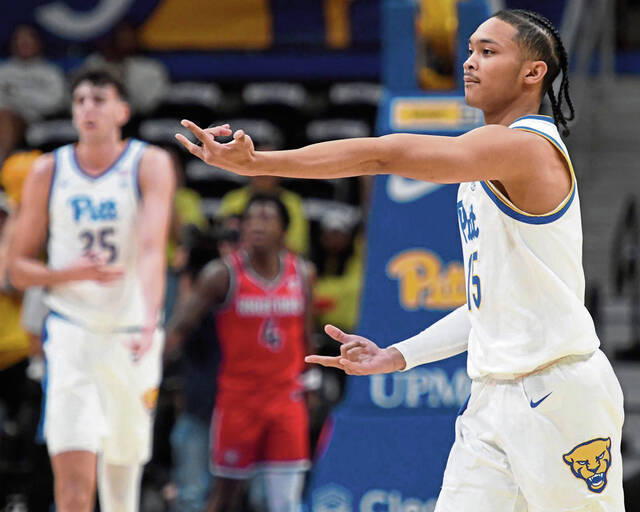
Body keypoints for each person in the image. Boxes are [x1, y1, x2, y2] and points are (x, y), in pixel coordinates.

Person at [175, 9, 625, 511]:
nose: (469, 62)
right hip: (492, 398)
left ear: (533, 72)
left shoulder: (525, 147)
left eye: (489, 52)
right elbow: (488, 308)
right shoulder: (484, 164)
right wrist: (399, 355)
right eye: (470, 50)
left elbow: (384, 155)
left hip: (559, 394)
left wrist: (262, 163)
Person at [8, 66, 175, 512]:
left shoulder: (150, 163)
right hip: (71, 332)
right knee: (74, 487)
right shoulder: (49, 169)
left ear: (122, 110)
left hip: (130, 330)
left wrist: (150, 318)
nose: (87, 108)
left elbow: (153, 248)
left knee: (122, 488)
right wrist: (67, 273)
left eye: (98, 99)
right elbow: (17, 269)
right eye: (80, 100)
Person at [167, 194, 314, 512]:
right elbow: (179, 328)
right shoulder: (221, 274)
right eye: (251, 219)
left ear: (284, 230)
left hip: (285, 399)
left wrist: (311, 384)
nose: (257, 225)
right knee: (224, 497)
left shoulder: (302, 273)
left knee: (284, 502)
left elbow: (306, 336)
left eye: (266, 218)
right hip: (238, 401)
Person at [0, 25, 65, 162]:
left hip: (33, 121)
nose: (24, 43)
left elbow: (55, 103)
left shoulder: (50, 72)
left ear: (38, 43)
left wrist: (16, 95)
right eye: (20, 40)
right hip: (3, 114)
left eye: (29, 40)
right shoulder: (3, 71)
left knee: (5, 118)